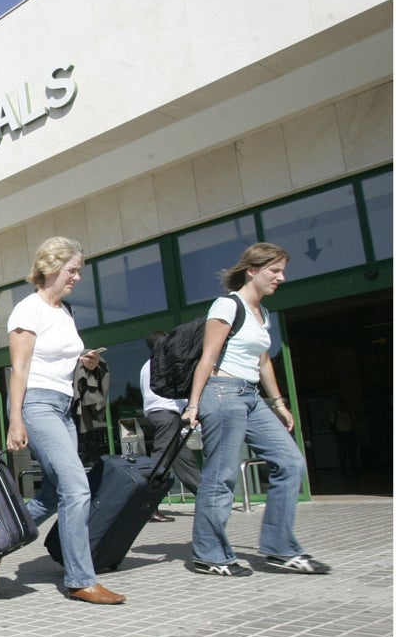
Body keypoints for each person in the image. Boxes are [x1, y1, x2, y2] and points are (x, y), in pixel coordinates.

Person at [184, 243, 330, 576]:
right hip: (222, 394)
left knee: (290, 462)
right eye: (274, 271)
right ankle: (210, 555)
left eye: (282, 270)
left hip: (250, 396)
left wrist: (278, 402)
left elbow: (263, 361)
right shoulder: (227, 305)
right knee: (221, 476)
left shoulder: (262, 313)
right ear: (252, 270)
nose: (282, 277)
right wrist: (193, 404)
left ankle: (279, 548)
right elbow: (207, 357)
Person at [6, 237, 122, 605]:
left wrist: (83, 360)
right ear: (50, 267)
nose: (76, 277)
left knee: (55, 494)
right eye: (72, 270)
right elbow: (20, 368)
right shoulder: (28, 310)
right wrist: (15, 420)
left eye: (78, 271)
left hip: (62, 404)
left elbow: (56, 357)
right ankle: (80, 579)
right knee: (77, 488)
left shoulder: (64, 311)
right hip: (37, 405)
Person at [140, 332, 202, 523]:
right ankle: (146, 505)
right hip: (166, 415)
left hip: (161, 415)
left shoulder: (147, 365)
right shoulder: (164, 361)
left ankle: (209, 497)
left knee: (184, 460)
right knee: (161, 462)